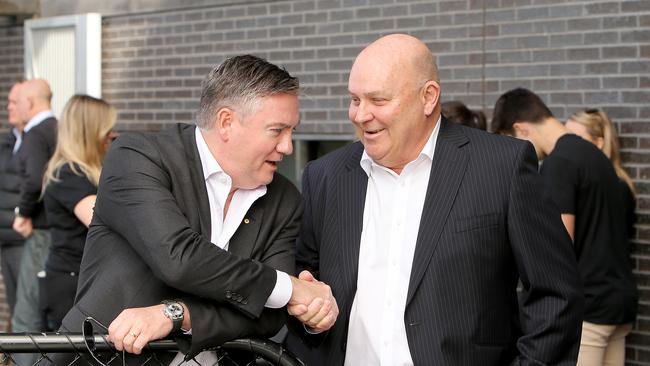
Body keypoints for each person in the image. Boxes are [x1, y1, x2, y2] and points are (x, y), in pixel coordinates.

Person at [285, 34, 583, 365]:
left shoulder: (502, 166)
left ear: (428, 97)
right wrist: (310, 314)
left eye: (378, 100)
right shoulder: (324, 176)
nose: (360, 114)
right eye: (354, 99)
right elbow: (306, 284)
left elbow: (555, 295)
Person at [49, 55, 337, 365]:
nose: (288, 147)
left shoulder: (284, 198)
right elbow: (178, 257)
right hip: (108, 359)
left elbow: (268, 315)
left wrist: (177, 315)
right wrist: (288, 287)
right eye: (276, 130)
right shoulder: (138, 156)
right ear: (227, 122)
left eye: (292, 131)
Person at [492, 89, 638, 366]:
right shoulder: (593, 155)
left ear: (520, 129)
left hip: (589, 312)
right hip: (617, 304)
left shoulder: (557, 165)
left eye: (509, 142)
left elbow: (557, 251)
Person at [564, 108, 638, 365]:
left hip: (593, 308)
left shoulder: (594, 187)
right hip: (619, 303)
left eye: (576, 137)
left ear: (599, 142)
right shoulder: (624, 186)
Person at [40, 95, 116, 331]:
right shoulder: (69, 175)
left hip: (80, 280)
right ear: (90, 133)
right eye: (107, 131)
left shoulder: (85, 173)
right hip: (71, 285)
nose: (111, 137)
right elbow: (104, 221)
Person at [11, 78, 57, 336]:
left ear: (30, 102)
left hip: (40, 232)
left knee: (27, 311)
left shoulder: (36, 135)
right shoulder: (59, 128)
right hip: (61, 232)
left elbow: (33, 180)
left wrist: (23, 213)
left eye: (17, 102)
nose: (14, 108)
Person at [0, 81, 26, 318]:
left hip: (24, 240)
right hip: (6, 240)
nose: (8, 107)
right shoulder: (6, 143)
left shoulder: (38, 143)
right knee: (14, 302)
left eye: (14, 102)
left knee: (28, 308)